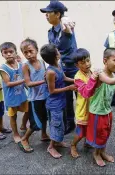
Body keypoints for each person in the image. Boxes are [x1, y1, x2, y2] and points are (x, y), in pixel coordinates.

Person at [40, 1, 78, 134]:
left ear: (57, 14)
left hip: (73, 68)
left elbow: (67, 26)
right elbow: (51, 52)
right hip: (60, 68)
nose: (46, 15)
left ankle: (84, 122)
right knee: (66, 96)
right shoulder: (50, 32)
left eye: (48, 13)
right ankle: (70, 122)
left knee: (81, 95)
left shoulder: (66, 26)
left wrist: (66, 18)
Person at [40, 44, 76, 159]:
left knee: (61, 123)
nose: (59, 51)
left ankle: (58, 142)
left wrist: (76, 80)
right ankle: (51, 147)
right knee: (56, 125)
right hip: (54, 104)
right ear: (56, 56)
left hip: (61, 101)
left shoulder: (59, 65)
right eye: (57, 51)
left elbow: (64, 78)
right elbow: (52, 91)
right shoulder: (50, 72)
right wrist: (68, 88)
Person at [18, 38, 50, 153]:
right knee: (34, 122)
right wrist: (44, 81)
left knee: (45, 116)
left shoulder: (42, 62)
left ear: (36, 50)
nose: (28, 54)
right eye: (25, 52)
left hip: (45, 96)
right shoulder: (25, 66)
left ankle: (44, 134)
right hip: (34, 98)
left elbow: (46, 74)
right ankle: (24, 139)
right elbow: (28, 83)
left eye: (30, 51)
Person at [70, 48, 98, 158]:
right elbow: (86, 92)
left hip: (92, 106)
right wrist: (94, 79)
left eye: (88, 60)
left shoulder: (91, 72)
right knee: (81, 132)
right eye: (82, 63)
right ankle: (73, 145)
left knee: (90, 127)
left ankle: (87, 143)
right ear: (77, 65)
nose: (87, 64)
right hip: (83, 109)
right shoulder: (78, 77)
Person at [0, 42, 28, 143]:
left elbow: (24, 81)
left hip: (22, 94)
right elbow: (8, 83)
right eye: (5, 52)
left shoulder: (21, 65)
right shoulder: (3, 68)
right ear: (2, 54)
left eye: (11, 52)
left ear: (16, 53)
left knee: (29, 110)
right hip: (11, 97)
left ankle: (23, 125)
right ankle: (15, 133)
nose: (8, 54)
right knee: (13, 116)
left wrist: (29, 88)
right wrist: (25, 80)